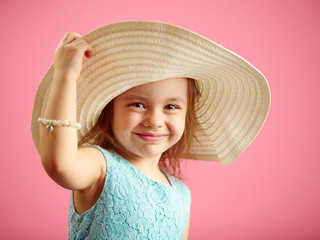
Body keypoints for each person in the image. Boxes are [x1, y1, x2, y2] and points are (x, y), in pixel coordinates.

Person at [31, 21, 270, 239]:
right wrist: (66, 75)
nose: (154, 120)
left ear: (187, 116)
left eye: (171, 106)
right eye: (138, 104)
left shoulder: (181, 194)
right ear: (109, 111)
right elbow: (59, 164)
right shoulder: (100, 167)